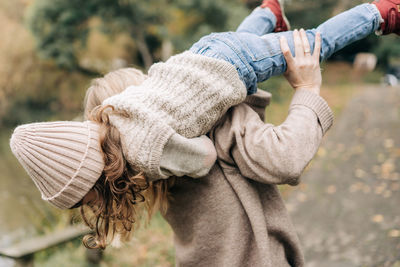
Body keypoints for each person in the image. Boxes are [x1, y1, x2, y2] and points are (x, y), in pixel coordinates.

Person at [9, 0, 399, 252]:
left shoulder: (163, 154)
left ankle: (378, 13)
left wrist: (308, 88)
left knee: (312, 44)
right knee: (244, 40)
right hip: (214, 50)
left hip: (231, 64)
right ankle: (269, 11)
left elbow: (279, 158)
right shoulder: (125, 116)